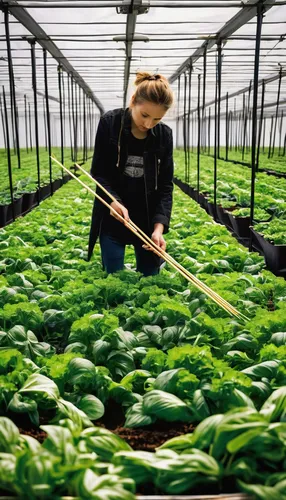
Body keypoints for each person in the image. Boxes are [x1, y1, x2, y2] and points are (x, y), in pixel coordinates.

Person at [87, 71, 174, 276]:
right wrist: (112, 201)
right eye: (144, 115)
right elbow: (99, 173)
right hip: (113, 218)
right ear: (133, 101)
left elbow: (165, 186)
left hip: (146, 221)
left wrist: (158, 229)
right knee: (113, 278)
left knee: (150, 279)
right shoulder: (110, 123)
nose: (148, 124)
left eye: (157, 119)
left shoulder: (164, 135)